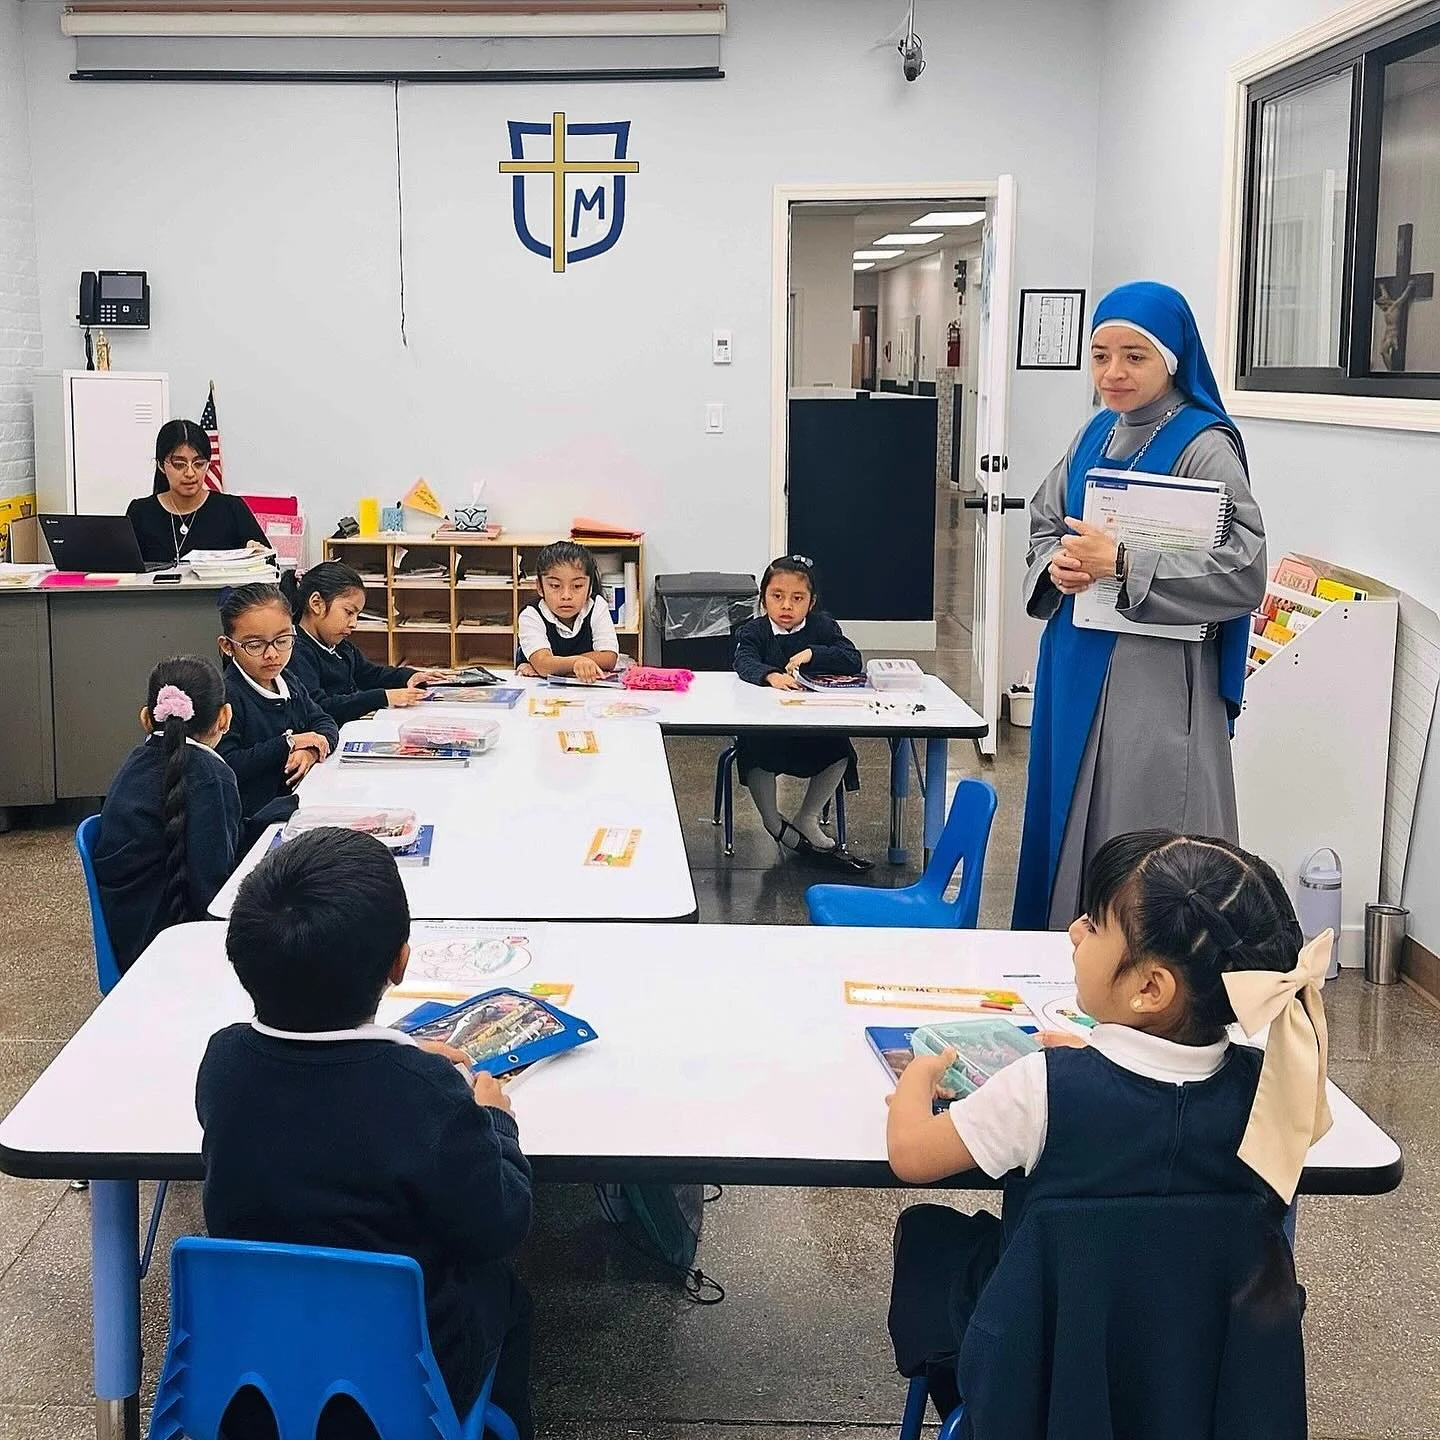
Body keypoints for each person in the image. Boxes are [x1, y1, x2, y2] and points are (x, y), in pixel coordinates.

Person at [887, 830, 1332, 1420]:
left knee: (928, 1234)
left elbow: (912, 1156)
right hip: (1202, 1377)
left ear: (1150, 988)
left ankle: (959, 1407)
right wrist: (1090, 1053)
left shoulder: (1043, 1088)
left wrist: (916, 1080)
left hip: (1044, 1367)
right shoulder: (1273, 1090)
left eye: (1095, 925)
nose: (1074, 930)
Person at [197, 827, 534, 1437]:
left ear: (242, 961)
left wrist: (403, 1054)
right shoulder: (426, 1093)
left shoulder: (224, 1061)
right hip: (404, 1386)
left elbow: (320, 1114)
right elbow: (499, 1223)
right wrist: (495, 1121)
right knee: (508, 1295)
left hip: (252, 1371)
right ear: (400, 962)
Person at [1013, 281, 1268, 931]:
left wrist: (1126, 563)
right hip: (1075, 660)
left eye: (1134, 356)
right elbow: (1046, 522)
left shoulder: (1203, 445)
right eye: (1100, 356)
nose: (1113, 373)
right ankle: (1064, 960)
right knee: (1066, 818)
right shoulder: (1094, 432)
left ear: (1172, 359)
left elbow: (1242, 570)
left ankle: (1143, 981)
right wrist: (1059, 564)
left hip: (1154, 676)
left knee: (1139, 832)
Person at [93, 657, 241, 972]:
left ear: (146, 718)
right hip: (169, 954)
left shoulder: (134, 763)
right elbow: (214, 897)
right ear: (225, 718)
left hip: (132, 937)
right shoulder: (211, 776)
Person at [731, 554, 871, 873]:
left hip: (811, 727)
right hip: (767, 730)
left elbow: (851, 658)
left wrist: (813, 653)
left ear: (812, 602)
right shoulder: (753, 631)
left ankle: (807, 817)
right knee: (753, 749)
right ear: (763, 597)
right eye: (776, 596)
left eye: (798, 598)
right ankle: (772, 822)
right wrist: (770, 675)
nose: (786, 606)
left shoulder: (822, 626)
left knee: (840, 750)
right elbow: (743, 662)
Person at [216, 583, 339, 824]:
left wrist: (311, 750)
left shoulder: (286, 680)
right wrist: (289, 743)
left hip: (296, 806)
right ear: (228, 646)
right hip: (256, 821)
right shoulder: (227, 696)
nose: (272, 654)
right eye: (255, 645)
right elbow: (228, 765)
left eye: (282, 640)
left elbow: (324, 722)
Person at [283, 562, 449, 725]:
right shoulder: (296, 652)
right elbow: (321, 706)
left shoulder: (341, 646)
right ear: (316, 603)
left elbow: (370, 674)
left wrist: (408, 676)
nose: (354, 623)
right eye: (349, 612)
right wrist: (383, 697)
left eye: (357, 615)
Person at [125, 420, 269, 566]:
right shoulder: (140, 512)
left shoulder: (232, 508)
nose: (190, 473)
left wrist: (256, 553)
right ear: (161, 465)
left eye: (199, 464)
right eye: (179, 464)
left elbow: (268, 564)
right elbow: (122, 570)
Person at [514, 540, 619, 681]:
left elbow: (609, 658)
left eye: (577, 586)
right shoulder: (531, 615)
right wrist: (577, 663)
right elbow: (543, 664)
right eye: (555, 585)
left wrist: (556, 665)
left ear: (590, 587)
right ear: (540, 587)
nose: (566, 596)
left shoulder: (597, 606)